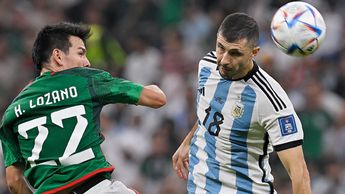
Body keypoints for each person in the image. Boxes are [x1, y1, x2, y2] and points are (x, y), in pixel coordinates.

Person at [0, 22, 166, 194]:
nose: (86, 62)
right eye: (81, 53)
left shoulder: (12, 113)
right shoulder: (86, 81)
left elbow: (14, 181)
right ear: (58, 56)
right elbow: (157, 99)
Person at [172, 13, 311, 194]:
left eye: (235, 53)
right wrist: (187, 142)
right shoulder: (206, 66)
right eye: (221, 47)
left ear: (254, 53)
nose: (224, 60)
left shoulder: (270, 99)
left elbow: (299, 172)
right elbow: (209, 112)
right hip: (199, 187)